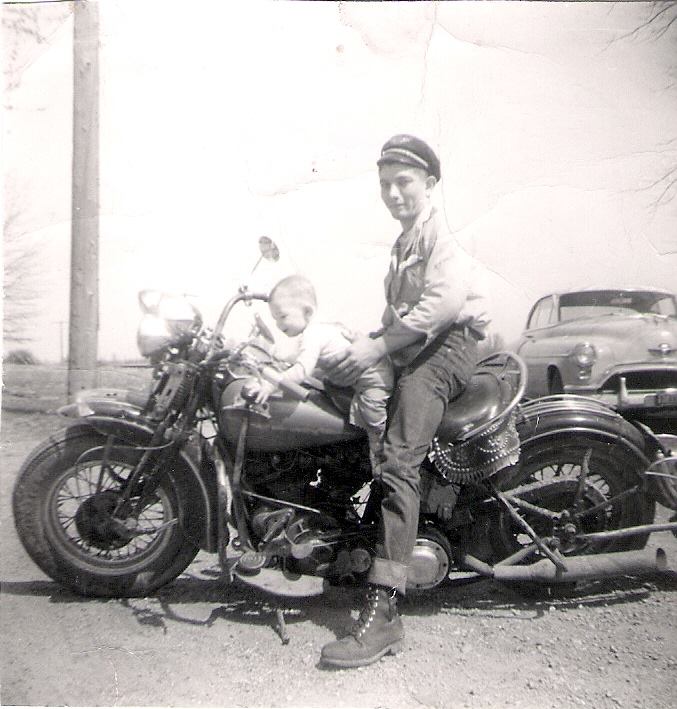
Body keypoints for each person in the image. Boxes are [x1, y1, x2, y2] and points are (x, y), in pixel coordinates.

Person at [320, 134, 488, 668]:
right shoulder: (404, 241)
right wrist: (357, 348)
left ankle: (386, 608)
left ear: (430, 184)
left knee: (398, 460)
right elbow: (399, 318)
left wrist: (377, 344)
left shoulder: (442, 236)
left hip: (449, 348)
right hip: (418, 345)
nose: (393, 193)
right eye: (385, 184)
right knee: (332, 387)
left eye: (404, 182)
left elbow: (442, 305)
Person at [250, 274, 395, 471]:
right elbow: (295, 356)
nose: (278, 324)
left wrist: (271, 384)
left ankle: (381, 459)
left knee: (372, 416)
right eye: (275, 319)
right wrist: (271, 351)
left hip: (375, 377)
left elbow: (301, 370)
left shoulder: (314, 334)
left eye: (282, 316)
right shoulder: (314, 332)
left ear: (307, 312)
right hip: (352, 377)